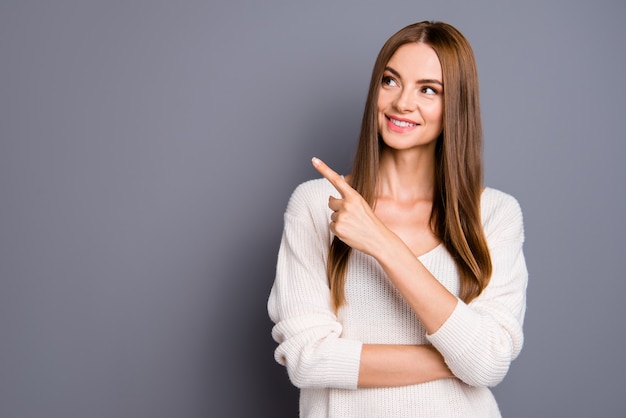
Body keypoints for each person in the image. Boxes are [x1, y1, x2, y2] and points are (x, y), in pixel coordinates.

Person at [267, 20, 527, 418]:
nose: (403, 102)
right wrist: (462, 358)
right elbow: (308, 359)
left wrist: (382, 243)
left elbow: (488, 363)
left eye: (428, 90)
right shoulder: (317, 204)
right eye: (390, 81)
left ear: (455, 104)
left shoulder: (494, 214)